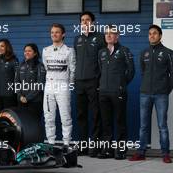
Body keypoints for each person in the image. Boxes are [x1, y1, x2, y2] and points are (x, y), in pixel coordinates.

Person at [129, 25, 173, 163]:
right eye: (150, 34)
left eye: (154, 33)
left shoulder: (168, 53)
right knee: (143, 126)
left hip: (161, 95)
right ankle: (141, 152)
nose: (152, 36)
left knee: (162, 125)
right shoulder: (144, 53)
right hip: (145, 94)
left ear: (160, 36)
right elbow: (143, 72)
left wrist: (166, 89)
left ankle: (165, 153)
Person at [97, 25, 135, 160]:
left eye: (112, 33)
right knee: (106, 122)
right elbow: (101, 71)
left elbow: (131, 71)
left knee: (120, 122)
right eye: (106, 33)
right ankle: (107, 150)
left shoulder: (124, 50)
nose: (108, 35)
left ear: (117, 36)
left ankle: (121, 151)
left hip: (118, 92)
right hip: (103, 92)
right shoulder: (101, 52)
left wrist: (121, 85)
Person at [73, 11, 106, 156]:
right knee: (81, 115)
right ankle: (83, 146)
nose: (85, 22)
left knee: (95, 115)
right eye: (82, 20)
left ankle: (95, 146)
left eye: (87, 20)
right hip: (79, 82)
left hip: (94, 81)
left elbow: (104, 61)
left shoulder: (100, 38)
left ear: (93, 22)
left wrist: (100, 80)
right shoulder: (77, 39)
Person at [42, 23, 76, 149]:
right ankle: (50, 143)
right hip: (49, 86)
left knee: (65, 116)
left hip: (63, 86)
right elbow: (46, 67)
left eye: (57, 32)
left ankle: (66, 143)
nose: (54, 34)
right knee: (49, 116)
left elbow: (73, 70)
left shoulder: (69, 51)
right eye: (52, 32)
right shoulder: (45, 50)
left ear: (63, 35)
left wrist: (69, 85)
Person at [15, 43, 46, 117]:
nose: (27, 53)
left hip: (35, 101)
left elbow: (40, 84)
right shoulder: (21, 65)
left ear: (35, 53)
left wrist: (27, 98)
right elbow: (16, 82)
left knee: (34, 124)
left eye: (29, 51)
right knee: (23, 124)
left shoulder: (39, 66)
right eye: (25, 51)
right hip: (21, 100)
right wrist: (20, 96)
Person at [0, 39, 18, 116]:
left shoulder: (13, 60)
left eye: (2, 46)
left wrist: (16, 93)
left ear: (7, 47)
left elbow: (17, 79)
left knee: (9, 118)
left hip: (9, 96)